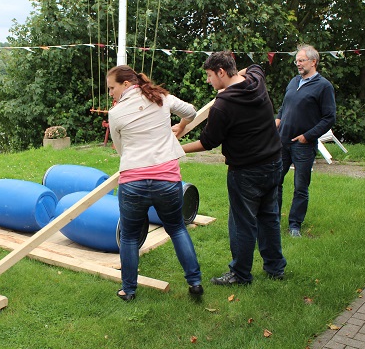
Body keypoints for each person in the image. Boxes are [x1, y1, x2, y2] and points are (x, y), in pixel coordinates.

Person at [180, 51, 286, 286]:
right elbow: (254, 66)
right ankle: (275, 268)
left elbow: (208, 142)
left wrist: (177, 150)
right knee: (269, 218)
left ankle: (240, 274)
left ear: (221, 72)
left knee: (242, 223)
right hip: (274, 163)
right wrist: (234, 74)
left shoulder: (223, 105)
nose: (208, 81)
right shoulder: (256, 81)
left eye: (210, 75)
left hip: (247, 171)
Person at [107, 64, 203, 301]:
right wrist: (179, 128)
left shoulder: (115, 113)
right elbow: (191, 112)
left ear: (126, 84)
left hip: (133, 182)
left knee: (129, 237)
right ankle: (195, 282)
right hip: (167, 180)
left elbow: (121, 150)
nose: (110, 93)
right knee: (177, 228)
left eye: (112, 88)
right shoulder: (162, 98)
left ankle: (128, 290)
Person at [276, 44, 336, 238]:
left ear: (313, 61)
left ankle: (295, 225)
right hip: (282, 141)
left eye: (301, 60)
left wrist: (307, 136)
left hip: (303, 145)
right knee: (274, 181)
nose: (298, 64)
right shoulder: (293, 81)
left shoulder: (324, 86)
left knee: (301, 187)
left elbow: (329, 118)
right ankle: (272, 219)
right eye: (297, 61)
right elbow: (284, 106)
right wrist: (278, 120)